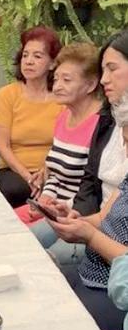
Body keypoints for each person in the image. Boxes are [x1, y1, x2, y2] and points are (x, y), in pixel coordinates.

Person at [33, 31, 128, 262]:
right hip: (97, 218)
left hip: (112, 235)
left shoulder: (96, 119)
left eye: (112, 69)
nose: (104, 79)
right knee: (25, 239)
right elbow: (90, 180)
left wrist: (86, 228)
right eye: (103, 70)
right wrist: (76, 216)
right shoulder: (109, 120)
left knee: (47, 260)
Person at [46, 90, 128, 330]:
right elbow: (103, 218)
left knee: (55, 324)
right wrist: (74, 218)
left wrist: (90, 236)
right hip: (91, 271)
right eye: (124, 141)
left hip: (115, 291)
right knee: (38, 284)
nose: (125, 151)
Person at [21, 43, 101, 262]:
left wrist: (61, 209)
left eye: (67, 80)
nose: (57, 86)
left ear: (91, 84)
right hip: (57, 212)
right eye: (55, 79)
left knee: (48, 260)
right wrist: (45, 199)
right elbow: (55, 172)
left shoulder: (101, 125)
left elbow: (93, 189)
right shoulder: (63, 116)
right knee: (21, 243)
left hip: (82, 216)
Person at [0, 26, 63, 207]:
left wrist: (45, 172)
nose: (29, 61)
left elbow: (67, 143)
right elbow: (2, 145)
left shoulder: (62, 98)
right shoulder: (7, 94)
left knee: (62, 190)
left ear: (52, 64)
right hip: (14, 171)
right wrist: (27, 176)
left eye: (37, 56)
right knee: (16, 189)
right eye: (25, 55)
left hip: (54, 171)